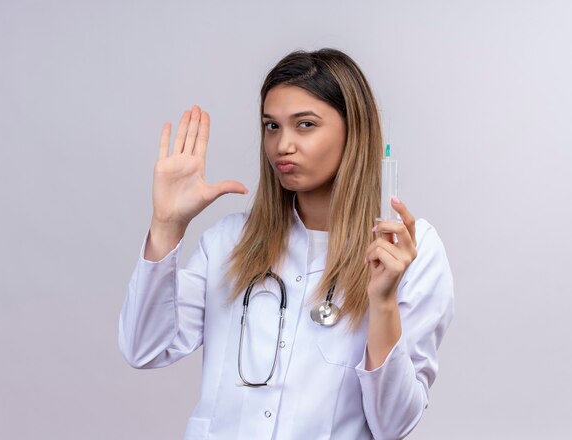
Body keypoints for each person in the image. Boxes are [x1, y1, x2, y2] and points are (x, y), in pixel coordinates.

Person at [119, 48, 454, 439]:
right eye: (272, 126)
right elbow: (143, 349)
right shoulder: (230, 242)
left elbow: (394, 424)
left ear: (354, 130)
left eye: (306, 125)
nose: (282, 145)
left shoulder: (410, 251)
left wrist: (381, 304)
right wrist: (166, 226)